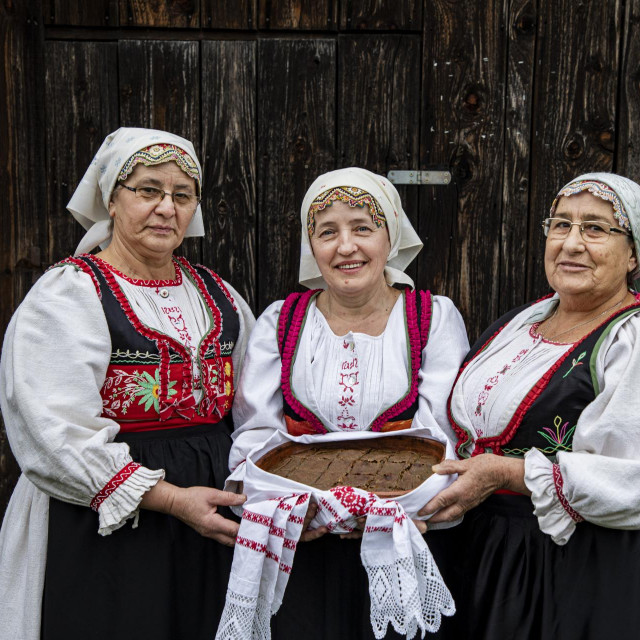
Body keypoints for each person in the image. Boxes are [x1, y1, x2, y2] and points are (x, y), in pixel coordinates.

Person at [0, 127, 255, 640]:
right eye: (148, 190)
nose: (167, 207)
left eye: (182, 195)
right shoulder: (70, 294)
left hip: (212, 521)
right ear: (111, 200)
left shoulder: (219, 294)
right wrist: (172, 499)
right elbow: (55, 432)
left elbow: (252, 407)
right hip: (106, 525)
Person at [228, 167, 469, 639]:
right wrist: (300, 507)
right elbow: (255, 431)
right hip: (300, 541)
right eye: (327, 232)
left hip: (403, 536)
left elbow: (441, 434)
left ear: (390, 234)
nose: (346, 247)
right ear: (311, 246)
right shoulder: (281, 320)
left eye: (363, 228)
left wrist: (399, 508)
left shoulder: (432, 317)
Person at [421, 173, 640, 640]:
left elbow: (631, 477)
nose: (572, 243)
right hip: (479, 551)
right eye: (561, 225)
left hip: (564, 568)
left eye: (596, 228)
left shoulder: (630, 340)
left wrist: (505, 474)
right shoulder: (523, 321)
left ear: (634, 254)